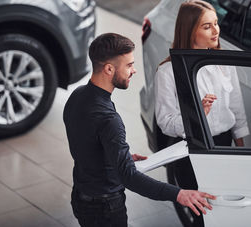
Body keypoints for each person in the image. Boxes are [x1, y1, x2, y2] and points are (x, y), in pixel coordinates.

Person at [63, 33, 215, 227]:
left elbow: (84, 142)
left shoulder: (77, 96)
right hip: (105, 207)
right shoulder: (109, 119)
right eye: (129, 65)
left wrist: (115, 155)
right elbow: (130, 177)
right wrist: (179, 193)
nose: (134, 71)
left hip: (81, 197)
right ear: (109, 69)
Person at [154, 0, 249, 225]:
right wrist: (198, 115)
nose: (216, 31)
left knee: (228, 211)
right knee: (203, 216)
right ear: (190, 31)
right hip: (191, 152)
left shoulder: (224, 63)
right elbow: (165, 122)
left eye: (216, 23)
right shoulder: (167, 73)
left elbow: (237, 107)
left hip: (224, 145)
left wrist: (243, 150)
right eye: (207, 26)